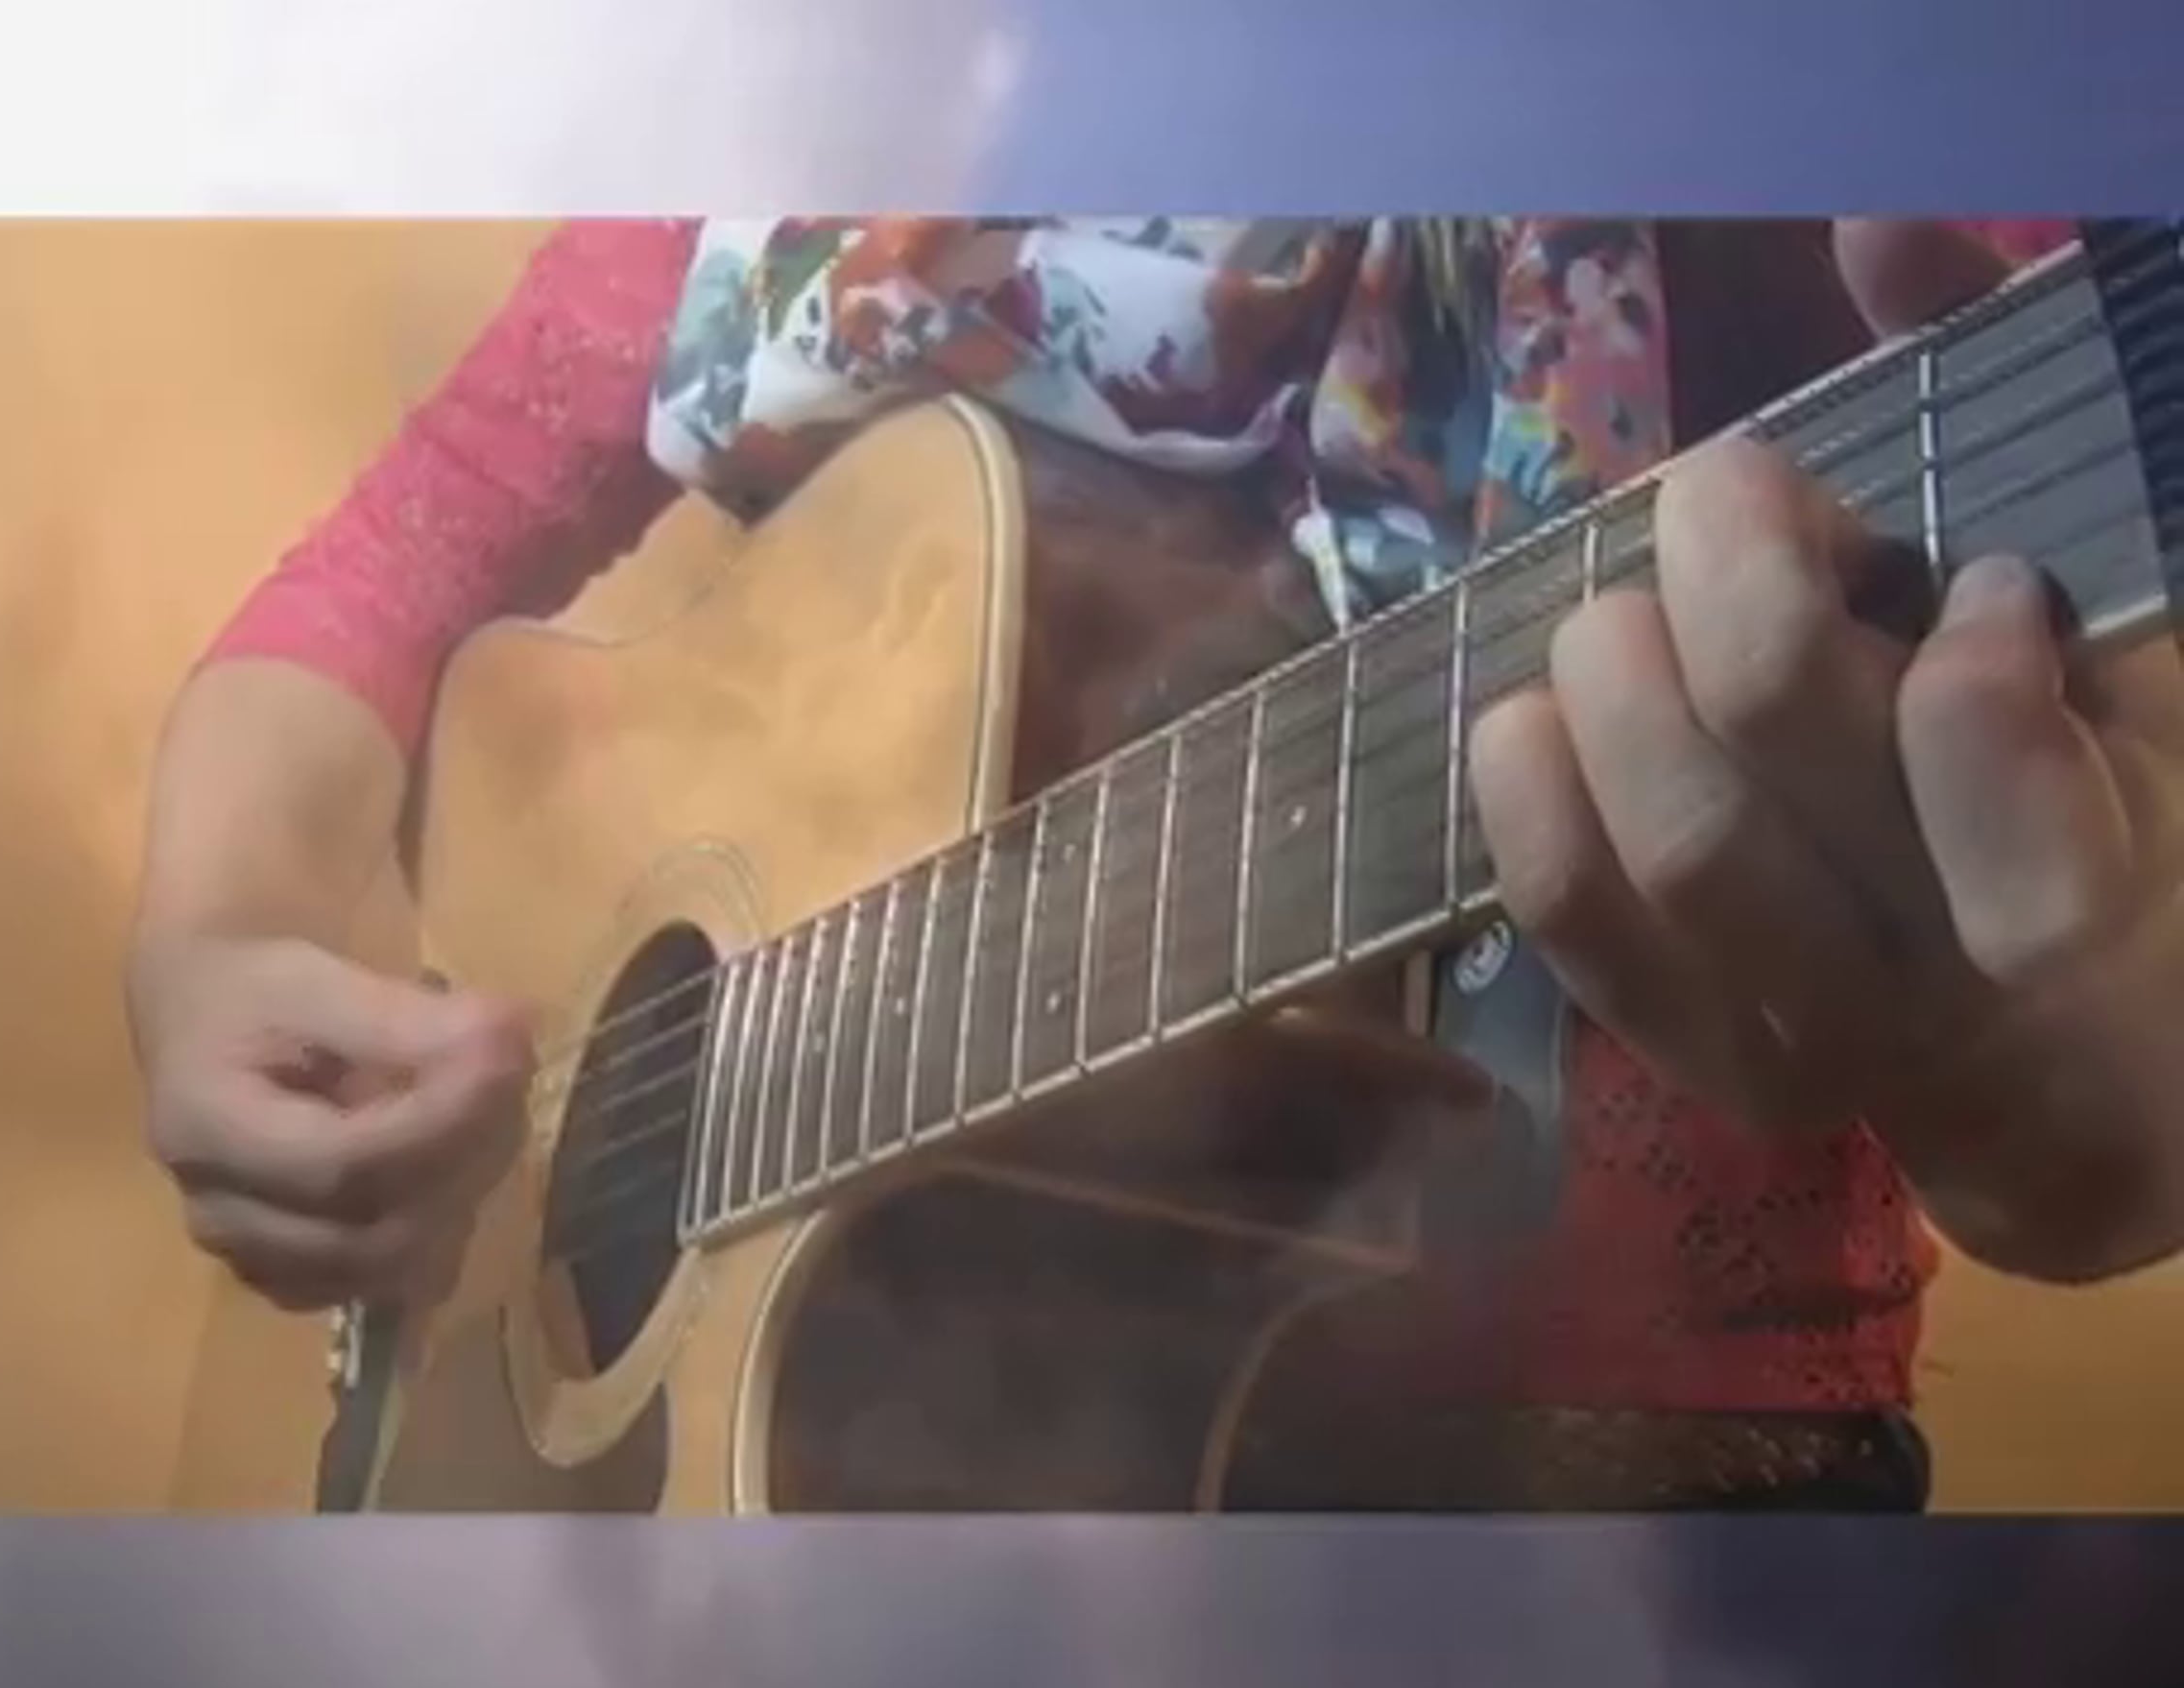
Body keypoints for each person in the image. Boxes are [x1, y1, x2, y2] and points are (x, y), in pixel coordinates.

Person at [126, 215, 2184, 1510]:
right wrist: (219, 940)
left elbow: (2124, 1105)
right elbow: (364, 596)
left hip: (1623, 1548)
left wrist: (2043, 1075)